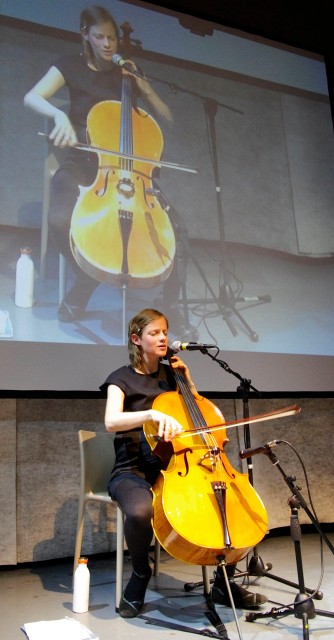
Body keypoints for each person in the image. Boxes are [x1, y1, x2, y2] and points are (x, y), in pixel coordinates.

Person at [23, 5, 192, 336]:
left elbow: (165, 116)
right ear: (85, 35)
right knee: (58, 218)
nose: (107, 44)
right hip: (83, 165)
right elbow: (33, 96)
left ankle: (169, 305)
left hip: (132, 173)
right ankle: (85, 280)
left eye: (112, 37)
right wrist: (58, 116)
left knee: (178, 234)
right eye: (99, 37)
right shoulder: (69, 64)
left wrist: (144, 85)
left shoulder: (128, 71)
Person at [99, 308, 267, 618]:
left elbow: (199, 418)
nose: (163, 337)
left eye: (164, 331)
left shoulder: (172, 376)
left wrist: (188, 384)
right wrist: (150, 413)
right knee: (139, 511)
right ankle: (140, 574)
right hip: (134, 470)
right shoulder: (119, 378)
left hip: (182, 466)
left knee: (225, 504)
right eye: (154, 333)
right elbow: (111, 421)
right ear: (137, 339)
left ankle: (223, 581)